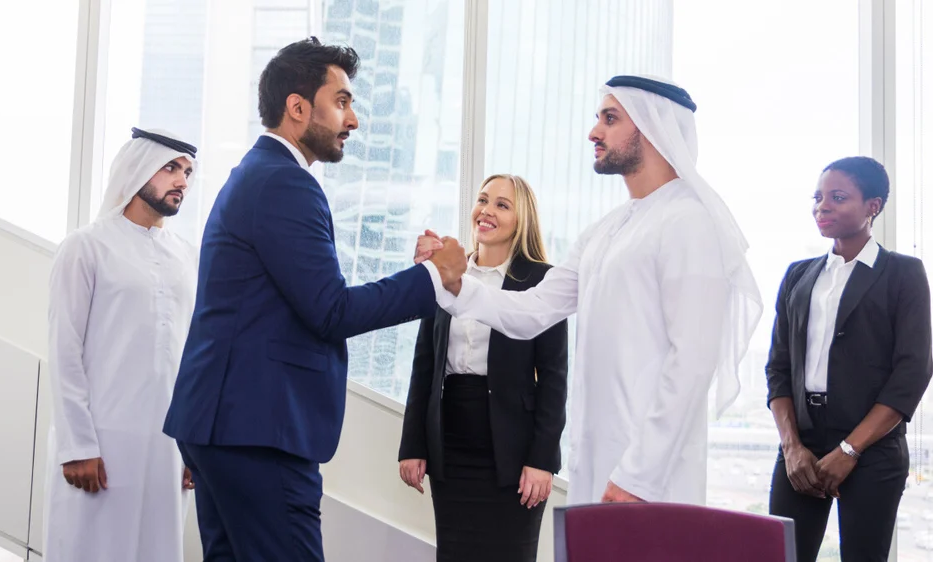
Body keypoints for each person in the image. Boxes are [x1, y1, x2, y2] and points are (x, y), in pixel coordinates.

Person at [162, 37, 458, 561]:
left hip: (226, 424)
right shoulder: (284, 183)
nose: (354, 120)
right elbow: (331, 310)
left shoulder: (257, 175)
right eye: (341, 102)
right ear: (297, 108)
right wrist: (434, 278)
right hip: (259, 431)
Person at [422, 75, 763, 506]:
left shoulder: (689, 222)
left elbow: (692, 362)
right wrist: (457, 283)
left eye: (610, 119)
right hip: (599, 466)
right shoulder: (606, 230)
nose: (593, 132)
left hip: (650, 481)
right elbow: (532, 311)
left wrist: (639, 476)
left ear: (652, 128)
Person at [766, 156, 932, 562]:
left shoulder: (903, 273)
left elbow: (912, 372)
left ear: (873, 206)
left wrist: (850, 450)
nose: (822, 206)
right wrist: (791, 446)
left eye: (838, 197)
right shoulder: (798, 276)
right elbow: (779, 368)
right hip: (801, 445)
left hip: (872, 449)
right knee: (783, 555)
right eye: (818, 197)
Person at [44, 128, 199, 562]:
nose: (182, 181)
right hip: (101, 444)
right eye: (170, 168)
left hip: (169, 448)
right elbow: (64, 351)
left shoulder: (189, 256)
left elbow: (194, 356)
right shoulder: (86, 247)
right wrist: (77, 446)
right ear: (137, 168)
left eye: (187, 172)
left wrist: (195, 446)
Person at [399, 174, 568, 561]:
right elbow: (424, 365)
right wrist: (413, 445)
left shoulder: (541, 280)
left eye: (502, 205)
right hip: (452, 445)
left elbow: (555, 378)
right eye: (483, 200)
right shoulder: (446, 273)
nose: (487, 211)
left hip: (515, 452)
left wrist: (542, 460)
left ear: (521, 219)